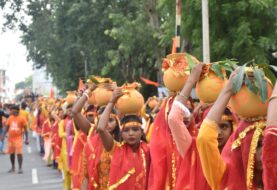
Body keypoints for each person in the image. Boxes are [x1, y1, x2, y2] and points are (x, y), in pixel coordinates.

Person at [196, 68, 277, 190]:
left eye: (267, 144)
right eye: (259, 144)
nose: (265, 152)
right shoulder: (224, 176)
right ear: (243, 146)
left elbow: (272, 140)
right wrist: (228, 90)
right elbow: (204, 138)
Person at [96, 87, 150, 189]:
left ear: (142, 132)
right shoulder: (116, 149)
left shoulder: (149, 150)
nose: (131, 133)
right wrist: (112, 101)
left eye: (135, 129)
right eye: (126, 130)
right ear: (121, 133)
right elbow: (101, 128)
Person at [72, 84, 121, 190]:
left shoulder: (123, 140)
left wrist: (116, 97)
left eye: (111, 120)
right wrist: (88, 91)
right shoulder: (92, 132)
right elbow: (75, 112)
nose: (106, 124)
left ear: (117, 122)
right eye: (102, 121)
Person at [0, 105, 28, 173]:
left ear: (15, 110)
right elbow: (6, 127)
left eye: (11, 110)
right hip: (10, 139)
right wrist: (2, 135)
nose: (10, 111)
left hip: (18, 138)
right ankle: (13, 167)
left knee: (19, 153)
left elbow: (26, 129)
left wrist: (26, 138)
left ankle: (20, 168)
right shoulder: (10, 118)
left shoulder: (22, 118)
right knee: (11, 153)